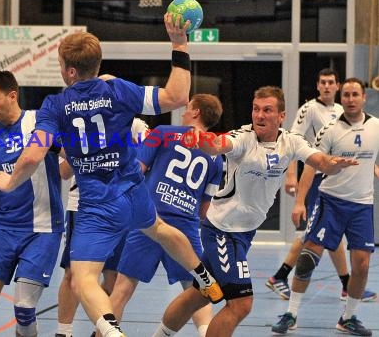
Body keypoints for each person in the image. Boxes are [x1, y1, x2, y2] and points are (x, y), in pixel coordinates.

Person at [0, 13, 223, 337]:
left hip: (97, 203)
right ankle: (203, 277)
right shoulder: (116, 89)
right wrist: (179, 43)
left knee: (83, 278)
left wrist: (8, 182)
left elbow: (32, 156)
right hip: (132, 189)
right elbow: (176, 96)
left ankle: (111, 331)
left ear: (70, 70)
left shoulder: (55, 106)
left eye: (61, 64)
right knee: (158, 228)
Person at [150, 86, 358, 337]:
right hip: (221, 231)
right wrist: (201, 139)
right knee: (241, 304)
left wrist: (335, 167)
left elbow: (321, 162)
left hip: (244, 234)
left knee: (198, 294)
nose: (259, 115)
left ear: (281, 115)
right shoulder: (243, 138)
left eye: (267, 110)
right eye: (256, 109)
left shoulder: (291, 141)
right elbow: (217, 144)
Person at [108, 94, 224, 337]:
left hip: (150, 221)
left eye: (188, 107)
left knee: (122, 289)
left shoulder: (163, 132)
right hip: (186, 229)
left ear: (196, 112)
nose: (183, 111)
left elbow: (136, 172)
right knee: (196, 290)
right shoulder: (216, 156)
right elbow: (205, 210)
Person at [271, 78, 379, 336]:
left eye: (355, 94)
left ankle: (349, 318)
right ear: (342, 99)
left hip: (362, 205)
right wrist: (299, 202)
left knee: (362, 265)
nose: (350, 99)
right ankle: (291, 313)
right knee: (308, 258)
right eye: (347, 95)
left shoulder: (376, 126)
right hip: (330, 201)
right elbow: (311, 165)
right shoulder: (329, 130)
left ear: (364, 98)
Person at [0, 71, 64, 337]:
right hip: (4, 227)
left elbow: (72, 154)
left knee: (24, 308)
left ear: (12, 95)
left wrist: (54, 146)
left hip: (42, 229)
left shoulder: (39, 121)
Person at [55, 117, 149, 337]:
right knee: (73, 274)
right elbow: (65, 172)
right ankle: (64, 332)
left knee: (113, 277)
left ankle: (102, 332)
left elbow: (145, 161)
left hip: (119, 205)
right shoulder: (79, 125)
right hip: (83, 205)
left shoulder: (134, 124)